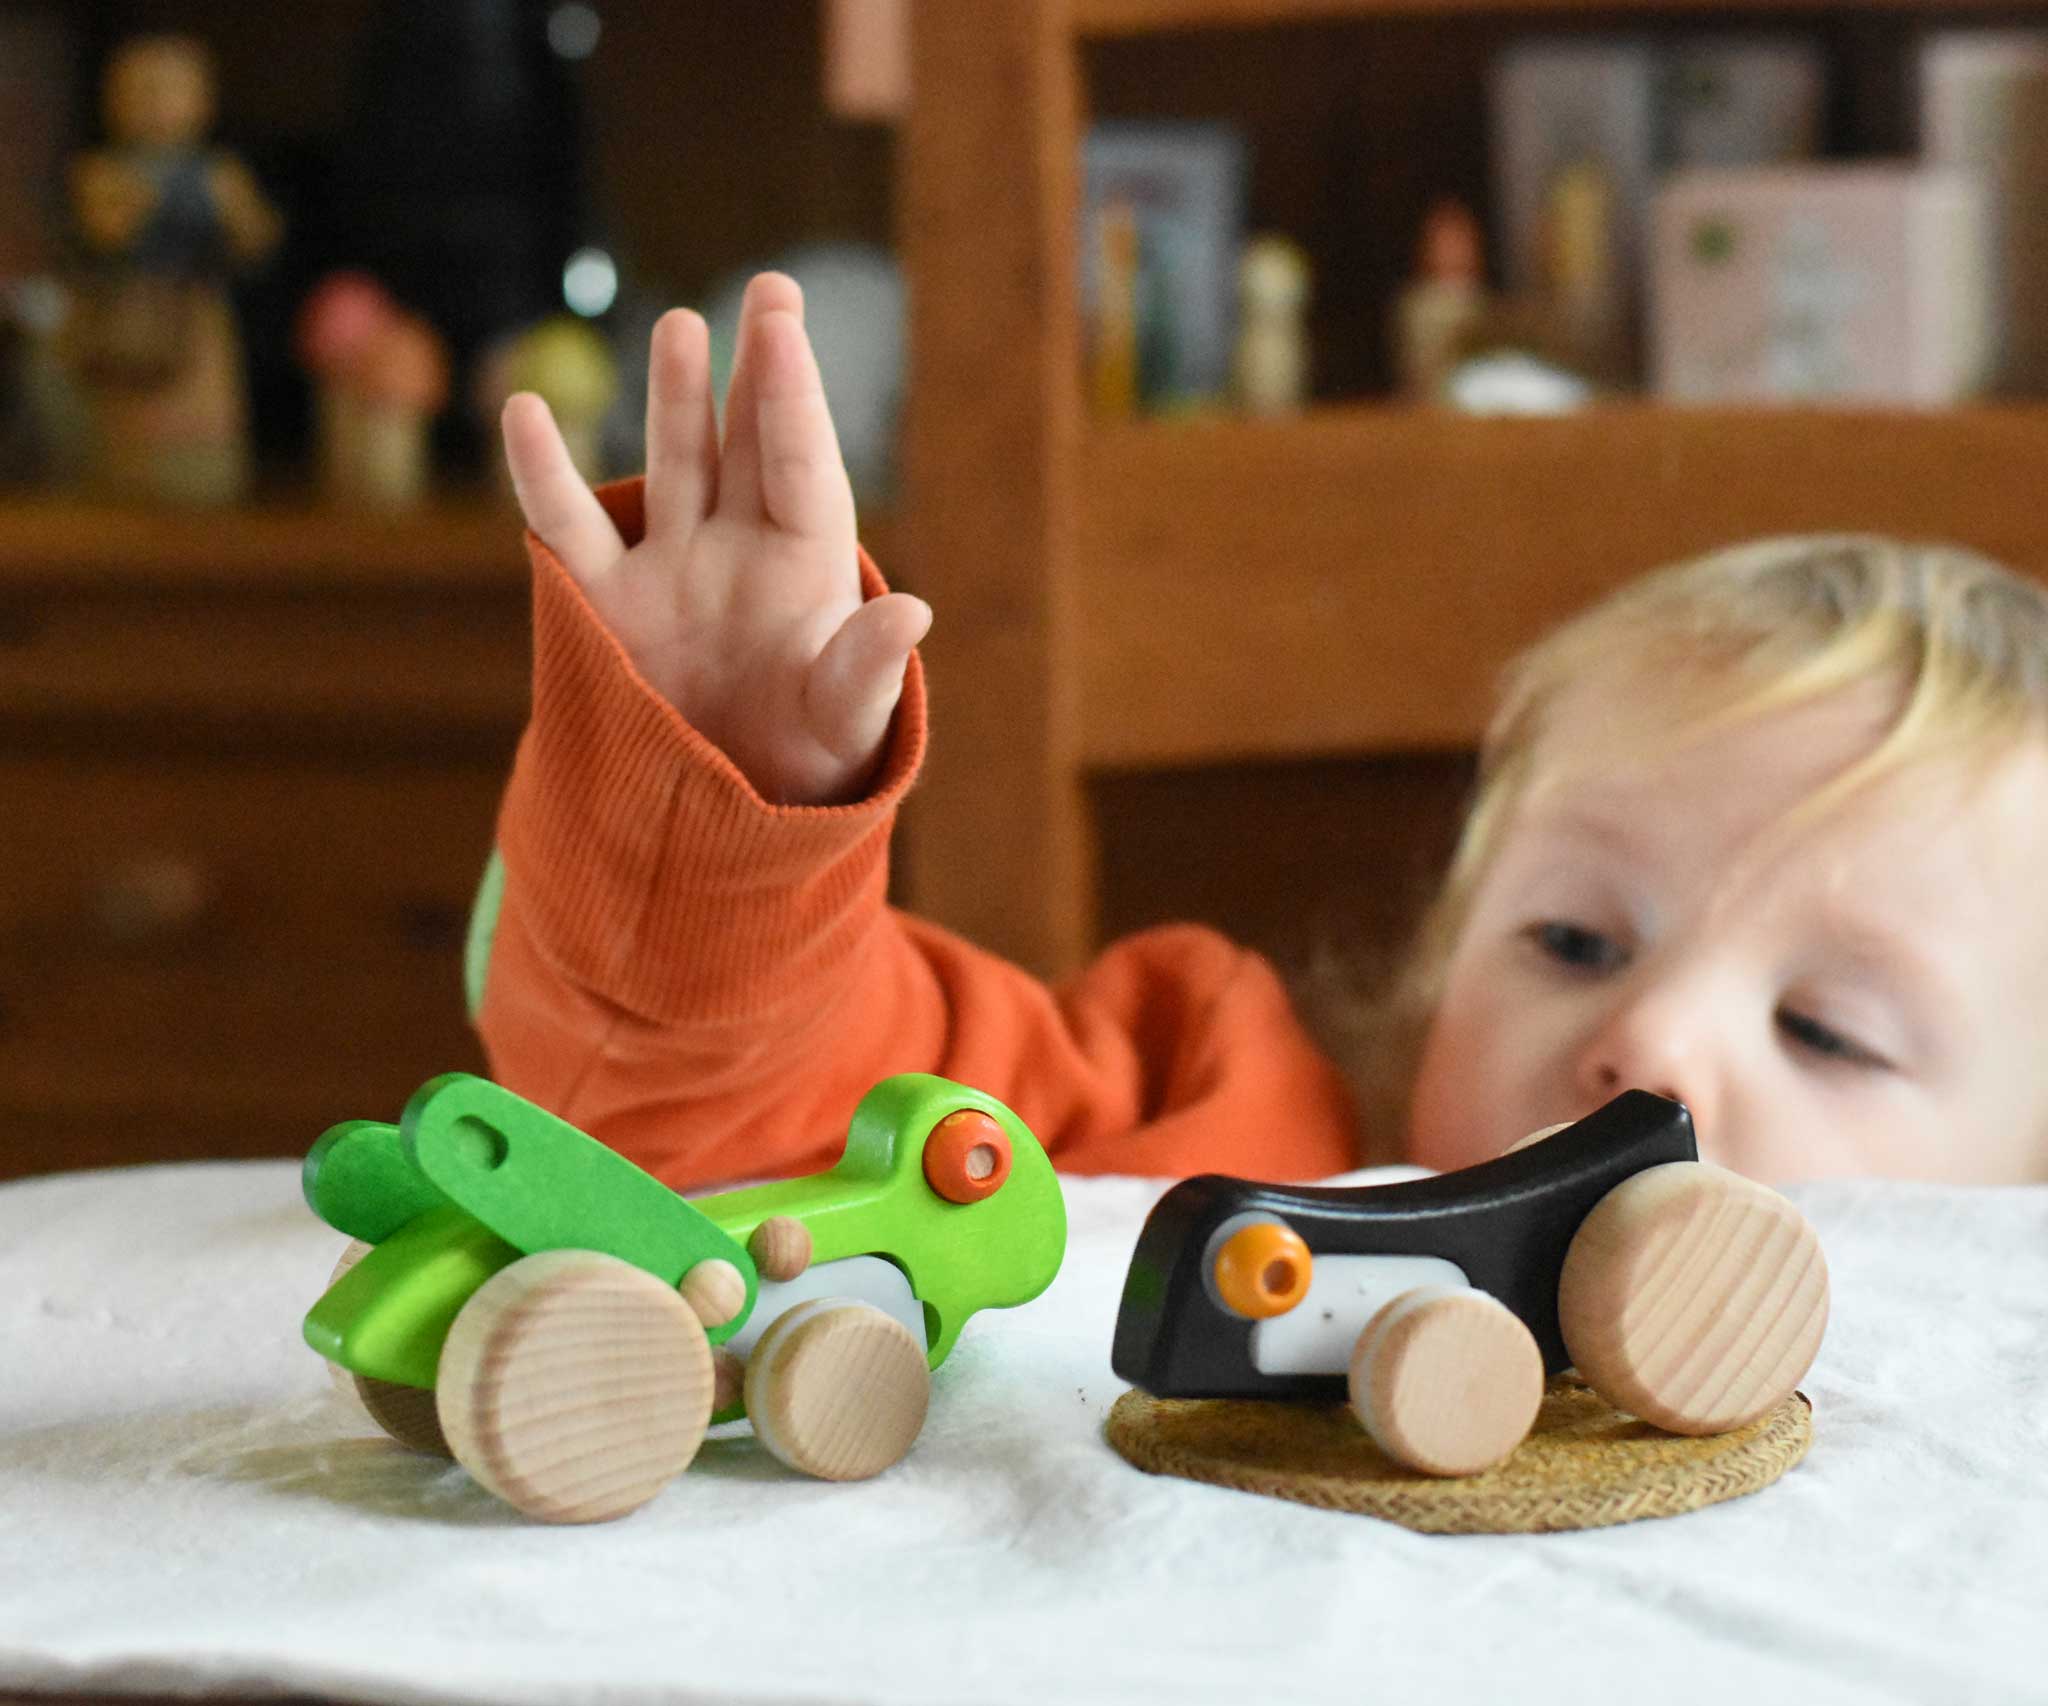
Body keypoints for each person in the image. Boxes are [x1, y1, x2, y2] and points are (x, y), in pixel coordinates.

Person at [478, 271, 2048, 1191]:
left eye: (1831, 1031)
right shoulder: (1231, 1124)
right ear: (1443, 967)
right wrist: (722, 813)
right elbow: (727, 1124)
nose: (1652, 1041)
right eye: (1571, 937)